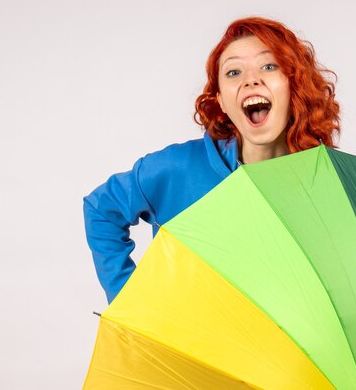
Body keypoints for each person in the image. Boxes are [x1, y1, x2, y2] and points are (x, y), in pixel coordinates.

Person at [83, 17, 341, 303]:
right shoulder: (178, 168)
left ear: (294, 86)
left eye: (269, 66)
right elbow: (102, 208)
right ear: (220, 99)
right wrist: (128, 300)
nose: (251, 80)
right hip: (183, 343)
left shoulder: (328, 186)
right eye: (233, 72)